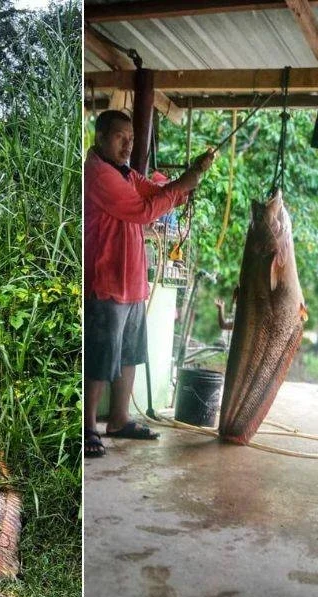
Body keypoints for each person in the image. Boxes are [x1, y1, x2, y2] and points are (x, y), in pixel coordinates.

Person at [84, 109, 214, 458]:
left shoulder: (124, 173)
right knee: (100, 358)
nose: (127, 145)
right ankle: (87, 428)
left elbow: (156, 191)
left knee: (129, 354)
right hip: (107, 280)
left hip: (132, 281)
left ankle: (119, 420)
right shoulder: (98, 174)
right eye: (119, 137)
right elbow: (143, 211)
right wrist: (182, 186)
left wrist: (191, 176)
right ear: (99, 136)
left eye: (130, 138)